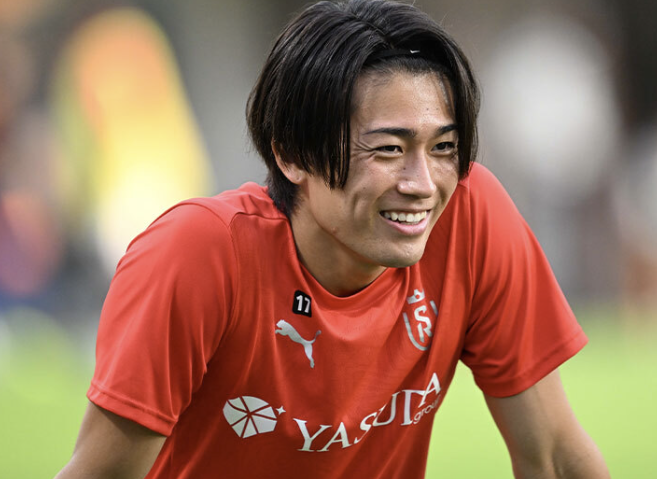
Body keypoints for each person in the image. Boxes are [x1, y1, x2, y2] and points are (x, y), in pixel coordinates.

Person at [56, 1, 610, 478]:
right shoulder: (199, 253)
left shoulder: (470, 214)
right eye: (388, 149)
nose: (423, 184)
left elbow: (555, 457)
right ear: (292, 154)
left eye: (443, 147)